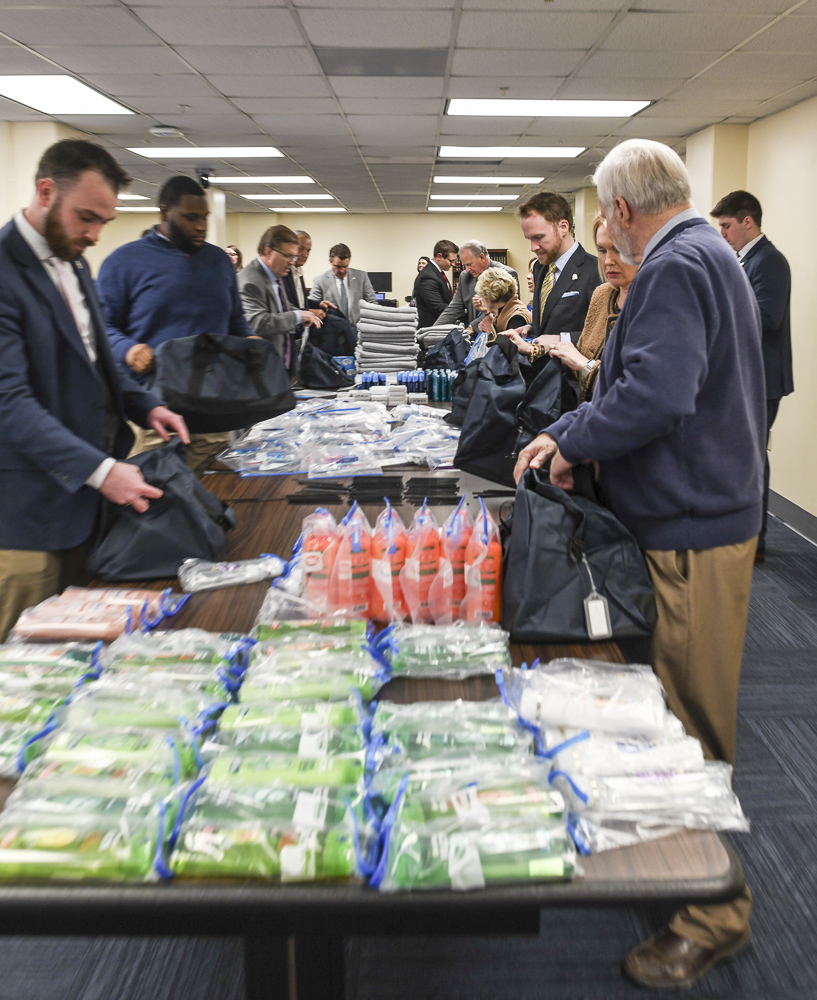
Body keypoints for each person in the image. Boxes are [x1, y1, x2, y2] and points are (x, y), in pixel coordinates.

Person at [515, 138, 765, 991]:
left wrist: (566, 435)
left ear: (619, 210)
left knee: (689, 719)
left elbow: (657, 396)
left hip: (692, 530)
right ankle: (674, 869)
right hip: (695, 513)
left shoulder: (671, 266)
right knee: (672, 705)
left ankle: (713, 912)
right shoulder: (706, 253)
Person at [0, 139, 188, 640]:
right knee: (23, 670)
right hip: (28, 514)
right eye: (86, 217)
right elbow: (9, 404)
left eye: (104, 221)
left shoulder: (76, 263)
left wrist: (145, 403)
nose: (94, 233)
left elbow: (93, 362)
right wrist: (103, 472)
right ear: (45, 192)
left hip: (90, 507)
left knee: (79, 657)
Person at [97, 175, 253, 471]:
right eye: (191, 217)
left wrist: (250, 341)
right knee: (155, 501)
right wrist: (128, 350)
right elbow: (101, 329)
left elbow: (234, 320)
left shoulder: (219, 262)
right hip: (155, 412)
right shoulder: (123, 262)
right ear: (165, 212)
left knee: (213, 497)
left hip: (214, 410)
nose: (201, 226)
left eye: (204, 218)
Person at [711, 190, 793, 563]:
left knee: (752, 458)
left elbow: (767, 317)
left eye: (727, 226)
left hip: (762, 379)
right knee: (742, 456)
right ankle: (741, 532)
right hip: (743, 375)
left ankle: (754, 541)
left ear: (748, 222)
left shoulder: (770, 261)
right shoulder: (743, 261)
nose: (723, 234)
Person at [507, 215, 638, 401]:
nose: (608, 260)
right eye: (602, 250)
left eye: (618, 249)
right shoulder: (603, 295)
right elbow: (580, 351)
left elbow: (638, 392)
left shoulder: (657, 303)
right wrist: (532, 348)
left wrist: (585, 365)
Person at [516, 191, 602, 347]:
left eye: (539, 237)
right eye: (529, 239)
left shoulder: (595, 271)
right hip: (541, 368)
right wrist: (529, 329)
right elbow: (547, 321)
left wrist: (561, 339)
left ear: (563, 227)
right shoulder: (540, 268)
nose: (533, 247)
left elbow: (602, 336)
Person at [238, 224, 322, 370]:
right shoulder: (250, 281)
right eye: (288, 256)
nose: (292, 262)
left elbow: (282, 305)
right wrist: (297, 316)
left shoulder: (275, 274)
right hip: (258, 369)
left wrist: (304, 314)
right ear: (268, 252)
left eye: (294, 256)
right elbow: (257, 323)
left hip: (278, 365)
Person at [283, 231, 356, 354]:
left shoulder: (298, 272)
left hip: (300, 333)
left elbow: (301, 301)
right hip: (290, 333)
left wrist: (318, 304)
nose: (305, 254)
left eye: (308, 251)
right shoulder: (284, 272)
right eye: (301, 249)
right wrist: (310, 311)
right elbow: (285, 305)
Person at [433, 240, 518, 327]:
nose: (467, 269)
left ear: (482, 257)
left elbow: (505, 310)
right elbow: (454, 308)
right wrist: (431, 331)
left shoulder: (506, 274)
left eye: (469, 264)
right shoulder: (465, 276)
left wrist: (473, 327)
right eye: (464, 265)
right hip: (475, 336)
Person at [309, 243, 377, 328]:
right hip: (333, 332)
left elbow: (372, 303)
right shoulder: (320, 281)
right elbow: (314, 308)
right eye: (338, 266)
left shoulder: (361, 277)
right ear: (330, 262)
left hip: (357, 331)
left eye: (345, 266)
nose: (342, 270)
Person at [413, 239, 458, 327]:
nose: (453, 264)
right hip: (432, 329)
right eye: (451, 260)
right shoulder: (427, 276)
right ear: (439, 256)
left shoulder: (436, 273)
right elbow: (438, 307)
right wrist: (461, 311)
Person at [474, 267, 530, 337]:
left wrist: (490, 332)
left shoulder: (517, 318)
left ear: (488, 297)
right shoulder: (511, 308)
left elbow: (509, 345)